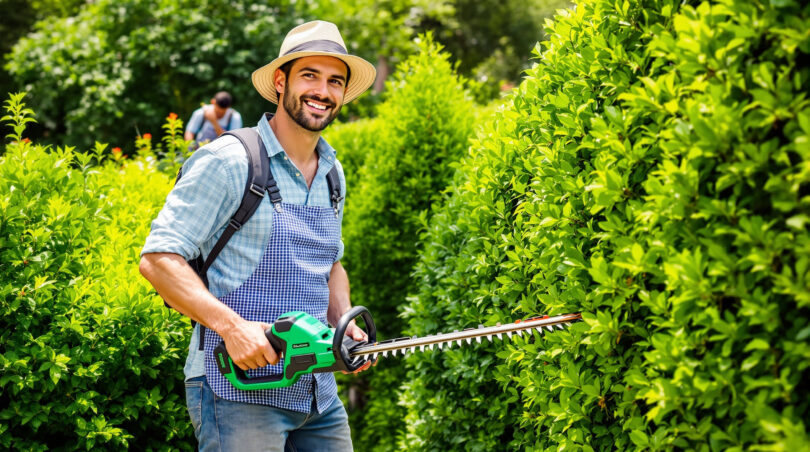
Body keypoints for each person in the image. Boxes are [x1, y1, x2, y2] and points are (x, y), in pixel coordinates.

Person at [139, 20, 376, 451]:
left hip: (315, 394)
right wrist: (232, 328)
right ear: (280, 82)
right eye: (310, 76)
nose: (322, 91)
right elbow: (158, 259)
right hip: (236, 392)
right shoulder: (230, 160)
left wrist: (343, 323)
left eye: (335, 81)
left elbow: (331, 263)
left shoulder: (333, 173)